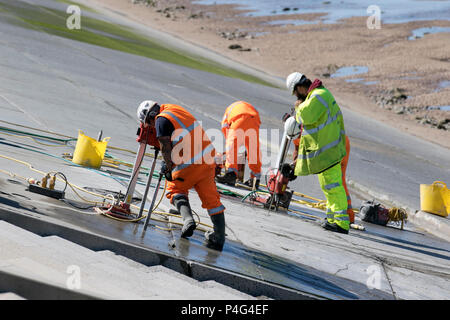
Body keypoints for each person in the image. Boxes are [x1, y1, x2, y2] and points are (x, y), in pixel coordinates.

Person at [137, 100, 226, 250]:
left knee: (174, 189)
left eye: (149, 123)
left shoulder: (161, 120)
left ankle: (188, 220)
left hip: (189, 163)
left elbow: (165, 147)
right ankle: (219, 236)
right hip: (207, 159)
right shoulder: (174, 109)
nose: (152, 127)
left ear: (150, 116)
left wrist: (167, 167)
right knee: (212, 199)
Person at [285, 72, 353, 234]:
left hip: (330, 151)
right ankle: (332, 219)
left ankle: (342, 223)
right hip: (327, 152)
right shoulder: (317, 95)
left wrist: (297, 107)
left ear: (300, 87)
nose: (297, 96)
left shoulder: (318, 96)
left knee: (334, 187)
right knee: (328, 187)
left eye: (296, 93)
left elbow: (305, 117)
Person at [215, 101, 262, 189]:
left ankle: (231, 174)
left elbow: (226, 130)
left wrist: (230, 150)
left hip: (240, 118)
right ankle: (255, 179)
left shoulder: (228, 111)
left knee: (232, 146)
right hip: (255, 119)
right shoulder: (242, 106)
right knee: (253, 150)